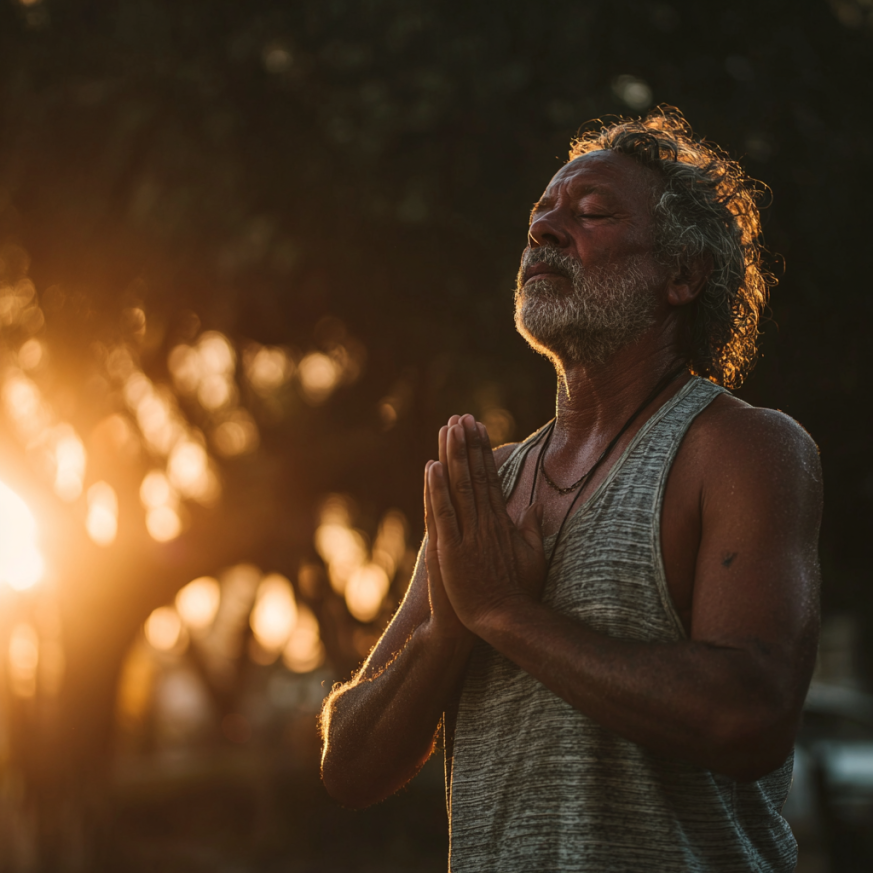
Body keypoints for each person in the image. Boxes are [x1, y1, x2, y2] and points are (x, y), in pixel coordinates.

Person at [319, 107, 822, 872]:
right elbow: (348, 764)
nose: (547, 232)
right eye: (540, 217)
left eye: (590, 214)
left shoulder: (739, 448)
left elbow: (747, 714)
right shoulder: (485, 491)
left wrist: (503, 613)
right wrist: (452, 630)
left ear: (680, 276)